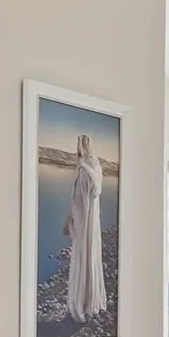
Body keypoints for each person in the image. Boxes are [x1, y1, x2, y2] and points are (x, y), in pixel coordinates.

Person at [64, 132, 107, 323]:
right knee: (91, 256)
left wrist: (71, 219)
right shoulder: (96, 167)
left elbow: (79, 200)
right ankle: (91, 300)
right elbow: (94, 193)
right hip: (92, 222)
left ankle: (81, 302)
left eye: (78, 146)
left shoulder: (84, 170)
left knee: (83, 256)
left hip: (84, 222)